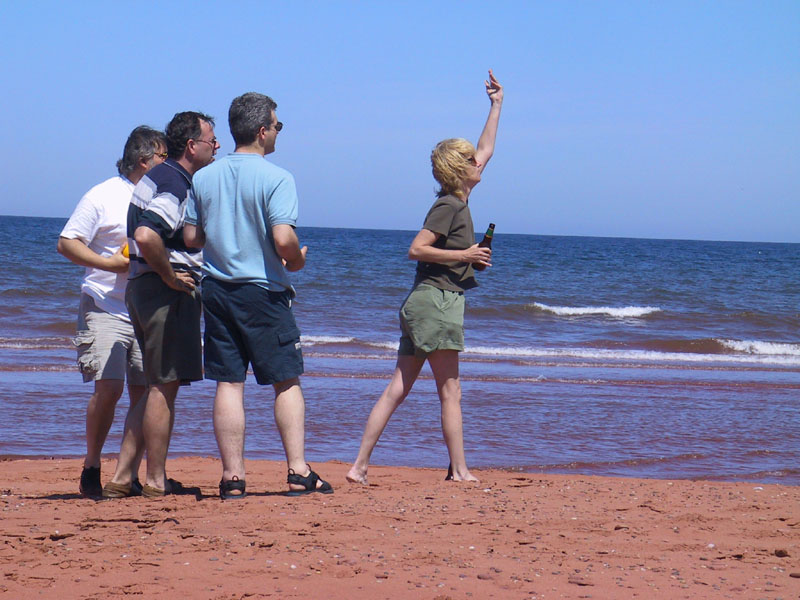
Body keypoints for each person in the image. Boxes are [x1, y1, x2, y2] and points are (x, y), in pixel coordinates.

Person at [347, 70, 504, 485]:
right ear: (460, 170)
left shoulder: (461, 198)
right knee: (449, 390)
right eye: (471, 160)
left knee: (398, 386)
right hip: (436, 302)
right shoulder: (448, 205)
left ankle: (359, 466)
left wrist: (496, 104)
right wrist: (465, 253)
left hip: (426, 300)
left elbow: (487, 147)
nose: (479, 161)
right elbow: (416, 248)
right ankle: (460, 471)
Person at [184, 92, 332, 499]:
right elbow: (284, 238)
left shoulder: (204, 176)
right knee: (286, 380)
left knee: (229, 383)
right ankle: (298, 470)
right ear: (263, 130)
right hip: (263, 291)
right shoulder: (277, 177)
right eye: (278, 125)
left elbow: (192, 237)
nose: (278, 132)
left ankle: (233, 476)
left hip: (216, 288)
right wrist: (296, 261)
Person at [102, 111, 219, 498]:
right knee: (163, 387)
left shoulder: (158, 176)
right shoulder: (175, 181)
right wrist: (170, 276)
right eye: (211, 140)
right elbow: (146, 234)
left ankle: (122, 478)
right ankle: (155, 481)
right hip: (162, 291)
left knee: (155, 384)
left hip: (142, 286)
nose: (216, 146)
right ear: (192, 145)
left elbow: (144, 235)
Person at [57, 126, 167, 498]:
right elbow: (67, 243)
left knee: (144, 394)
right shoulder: (103, 195)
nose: (166, 164)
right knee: (109, 388)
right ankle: (91, 463)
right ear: (143, 160)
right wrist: (109, 264)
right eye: (161, 157)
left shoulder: (159, 198)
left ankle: (128, 474)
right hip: (104, 305)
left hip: (144, 310)